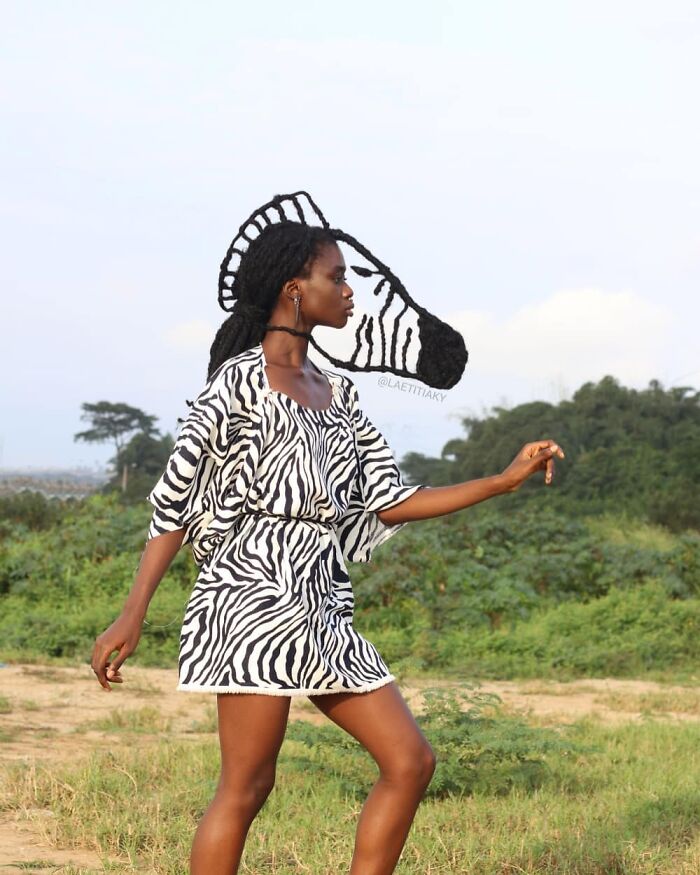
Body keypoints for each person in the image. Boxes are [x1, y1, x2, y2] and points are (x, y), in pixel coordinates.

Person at [91, 197, 565, 875]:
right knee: (248, 786)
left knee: (410, 760)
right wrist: (132, 611)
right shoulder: (236, 386)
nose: (348, 293)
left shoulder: (339, 394)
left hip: (321, 601)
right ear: (295, 289)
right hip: (249, 597)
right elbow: (173, 500)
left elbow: (392, 500)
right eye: (336, 278)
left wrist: (501, 480)